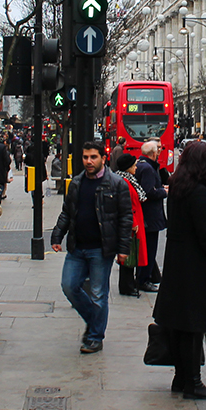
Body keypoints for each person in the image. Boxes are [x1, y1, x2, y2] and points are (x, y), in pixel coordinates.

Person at [153, 141, 206, 400]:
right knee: (193, 327)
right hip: (196, 268)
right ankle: (193, 382)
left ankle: (181, 379)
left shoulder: (181, 186)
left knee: (182, 325)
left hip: (180, 265)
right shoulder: (199, 192)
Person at [51, 142, 133, 354]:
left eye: (93, 157)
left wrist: (123, 249)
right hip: (77, 247)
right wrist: (57, 235)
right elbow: (67, 213)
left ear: (103, 158)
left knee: (98, 293)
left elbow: (126, 218)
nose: (89, 161)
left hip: (101, 249)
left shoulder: (117, 184)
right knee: (69, 286)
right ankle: (94, 322)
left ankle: (95, 337)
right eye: (86, 157)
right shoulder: (77, 183)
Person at [134, 140, 167, 292]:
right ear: (154, 153)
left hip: (145, 216)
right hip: (150, 217)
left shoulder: (140, 164)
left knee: (146, 248)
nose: (160, 151)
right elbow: (149, 192)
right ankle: (143, 279)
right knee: (149, 248)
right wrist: (163, 192)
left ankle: (145, 277)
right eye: (158, 149)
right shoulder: (147, 168)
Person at [114, 153, 147, 298]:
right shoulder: (125, 182)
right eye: (133, 165)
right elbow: (125, 204)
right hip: (132, 222)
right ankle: (126, 286)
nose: (136, 167)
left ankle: (129, 283)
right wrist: (132, 223)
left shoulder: (128, 180)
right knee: (129, 253)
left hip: (135, 219)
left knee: (132, 253)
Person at [0, 133, 12, 201]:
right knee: (0, 188)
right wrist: (6, 168)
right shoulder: (1, 147)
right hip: (0, 172)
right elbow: (7, 160)